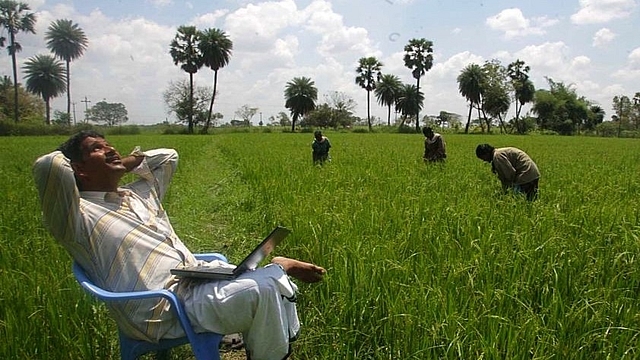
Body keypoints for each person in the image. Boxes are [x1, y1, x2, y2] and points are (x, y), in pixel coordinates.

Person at [33, 130, 326, 360]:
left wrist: (124, 162)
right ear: (78, 170)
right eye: (96, 148)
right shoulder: (77, 217)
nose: (110, 149)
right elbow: (48, 166)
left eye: (109, 144)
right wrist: (93, 163)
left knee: (269, 282)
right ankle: (272, 329)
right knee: (265, 288)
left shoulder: (138, 194)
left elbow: (168, 156)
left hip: (193, 280)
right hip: (161, 309)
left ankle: (274, 278)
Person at [475, 143, 540, 201]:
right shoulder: (498, 153)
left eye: (483, 157)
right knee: (531, 201)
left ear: (486, 153)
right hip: (532, 174)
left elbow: (510, 174)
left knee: (518, 200)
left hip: (525, 175)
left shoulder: (497, 156)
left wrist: (505, 190)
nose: (484, 160)